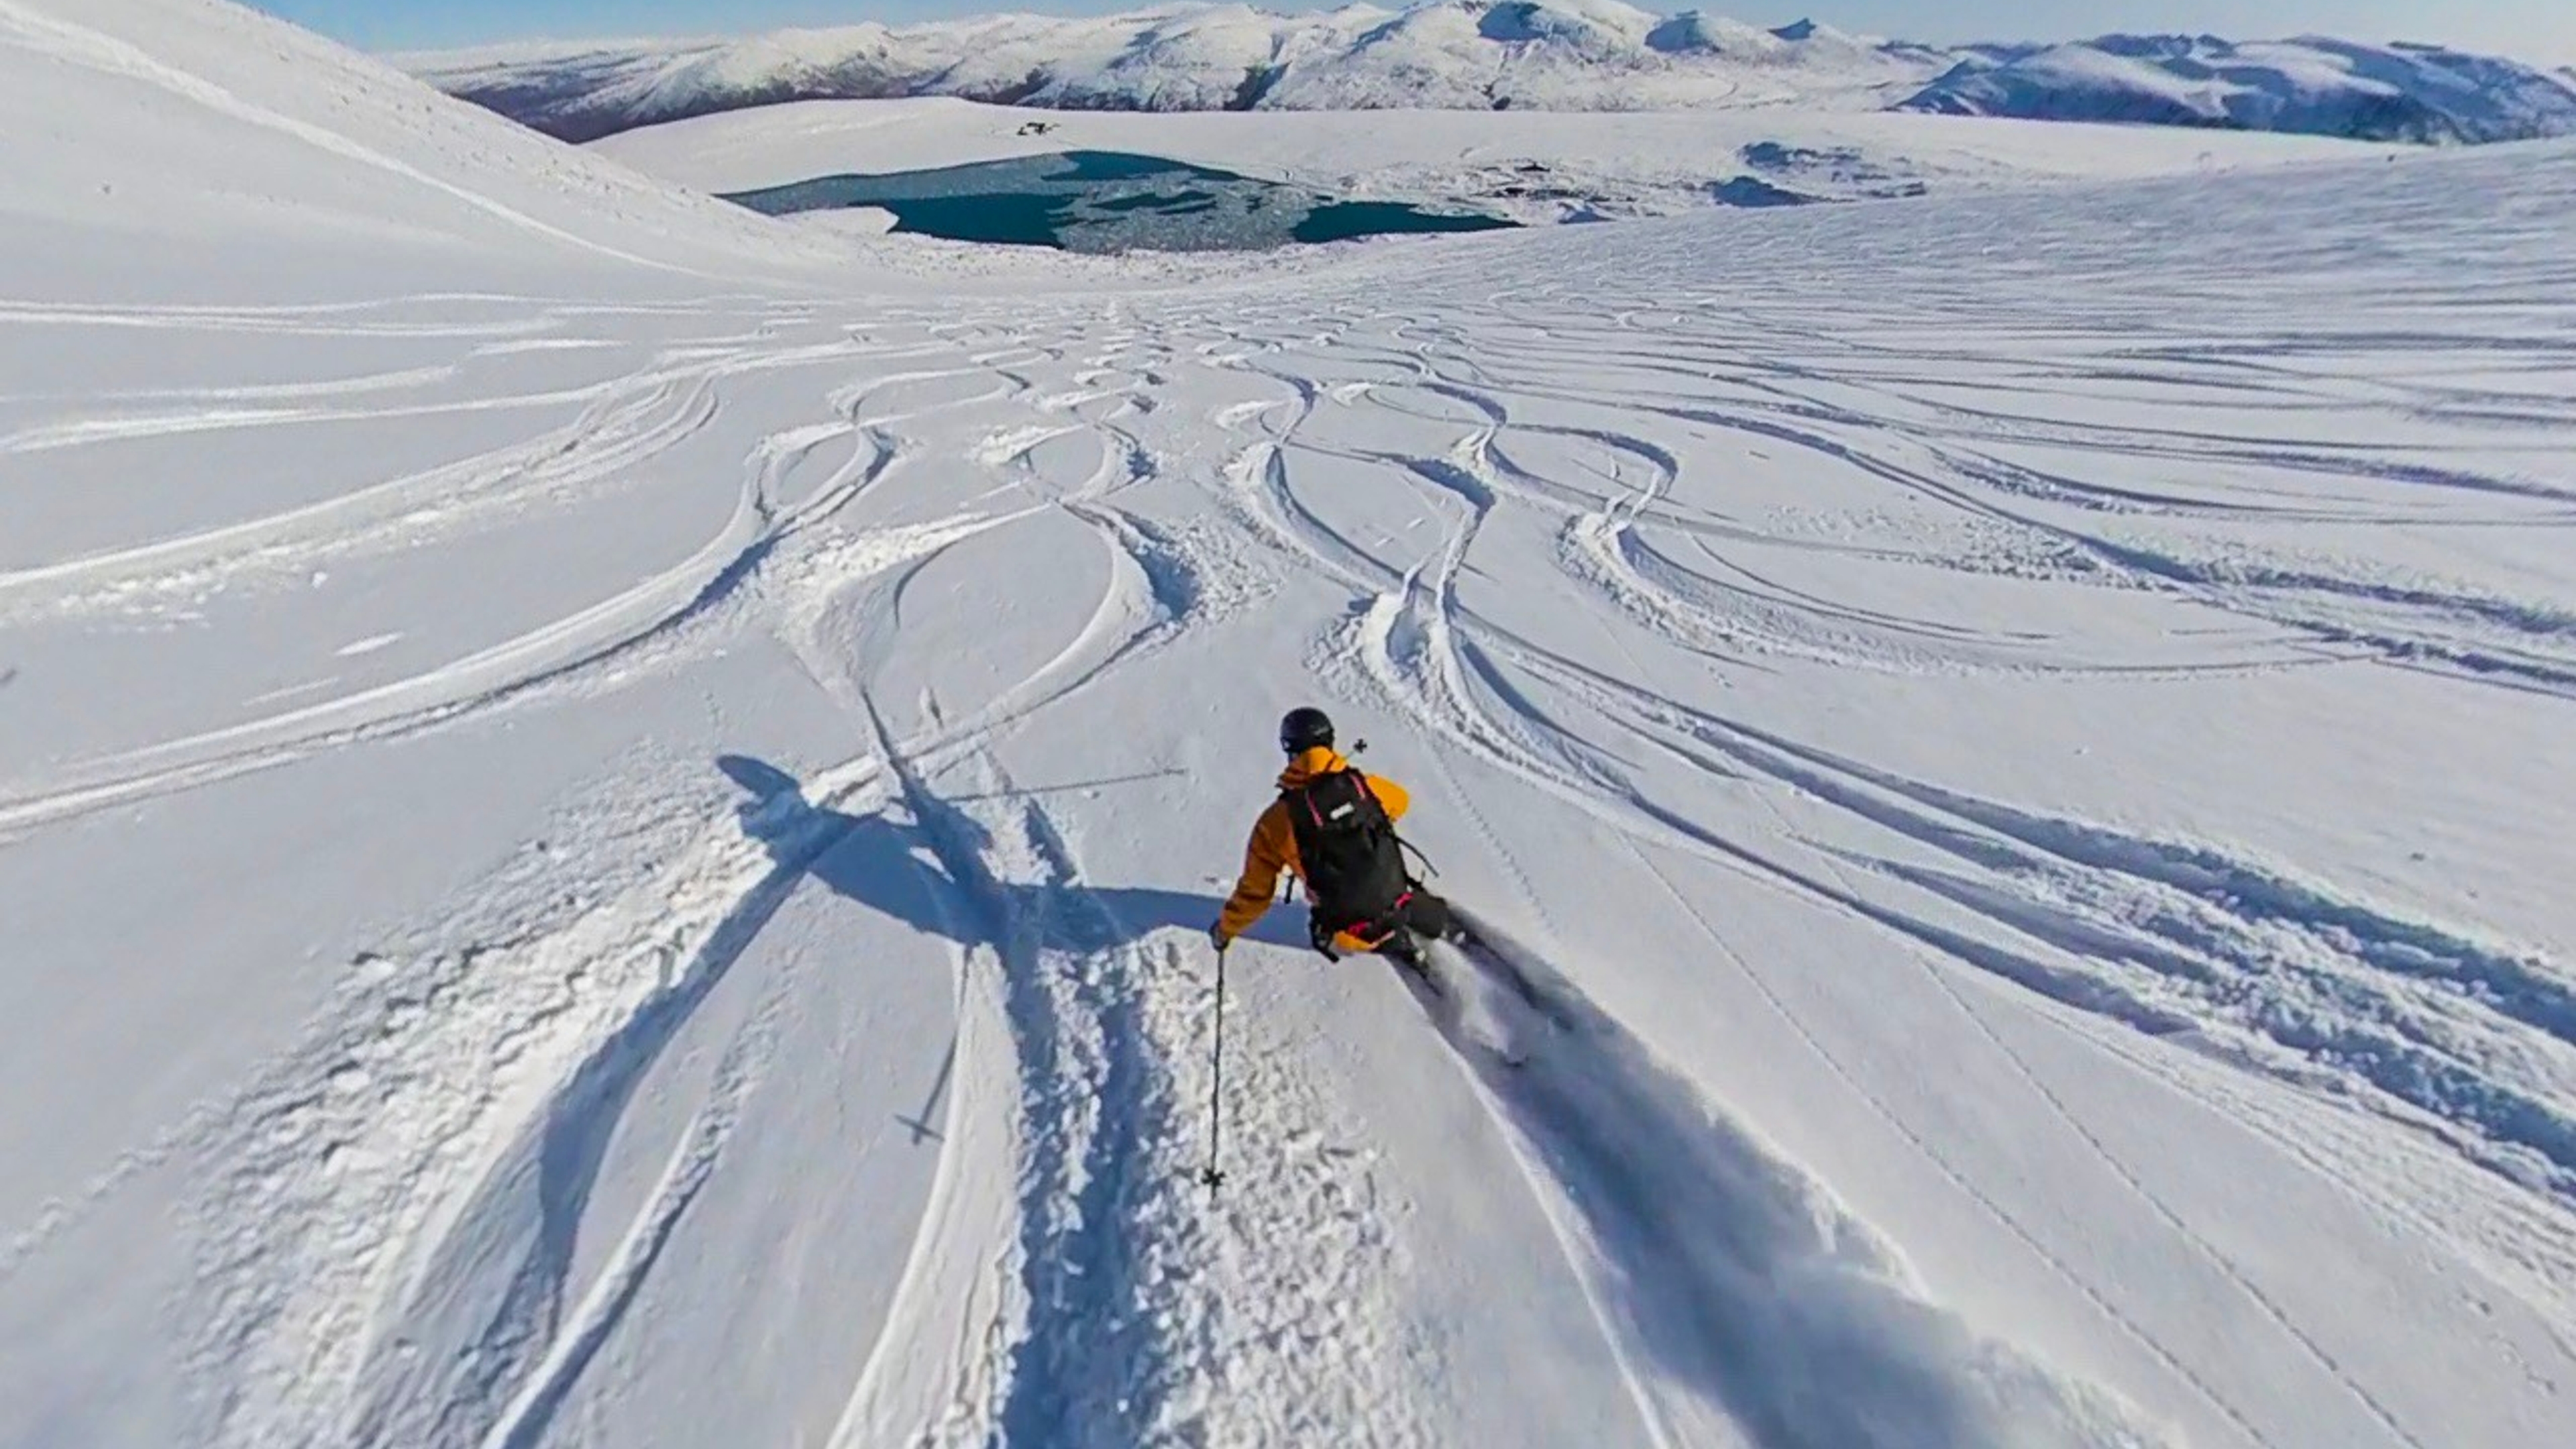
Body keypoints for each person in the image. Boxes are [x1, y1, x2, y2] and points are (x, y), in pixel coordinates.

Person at [1210, 707, 1452, 965]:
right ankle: (1431, 922)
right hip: (1395, 895)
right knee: (1394, 896)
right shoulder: (1364, 787)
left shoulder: (1275, 823)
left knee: (1331, 933)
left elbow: (1255, 894)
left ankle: (1388, 945)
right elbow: (1401, 801)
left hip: (1348, 925)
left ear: (1290, 751)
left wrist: (1225, 930)